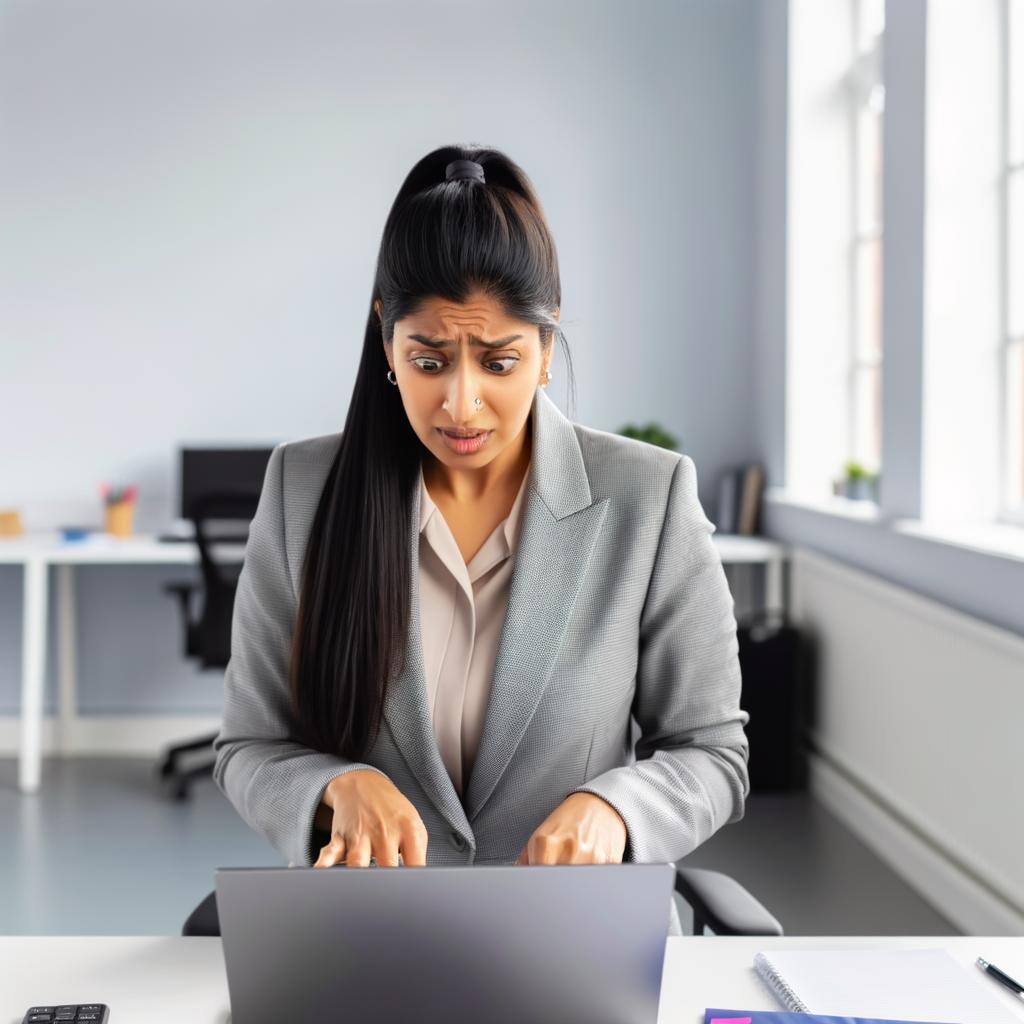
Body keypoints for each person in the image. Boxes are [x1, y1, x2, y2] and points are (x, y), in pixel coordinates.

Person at [212, 144, 750, 937]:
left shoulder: (648, 496)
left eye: (499, 361)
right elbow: (250, 745)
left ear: (546, 340)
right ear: (384, 339)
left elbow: (712, 752)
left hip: (576, 941)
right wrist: (332, 788)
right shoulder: (303, 489)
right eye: (428, 360)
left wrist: (616, 805)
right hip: (365, 940)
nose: (462, 405)